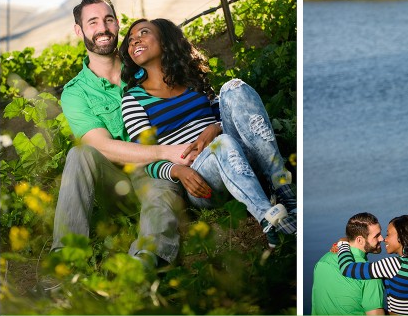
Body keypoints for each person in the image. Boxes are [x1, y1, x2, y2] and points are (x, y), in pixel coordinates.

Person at [50, 0, 192, 285]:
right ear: (80, 31)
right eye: (93, 22)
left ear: (117, 24)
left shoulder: (146, 66)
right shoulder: (76, 92)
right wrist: (163, 152)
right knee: (80, 154)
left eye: (108, 19)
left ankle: (142, 265)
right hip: (118, 182)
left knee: (158, 191)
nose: (103, 28)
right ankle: (64, 266)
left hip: (161, 172)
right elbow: (100, 146)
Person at [119, 18, 297, 248]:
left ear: (165, 39)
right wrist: (177, 171)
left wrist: (215, 127)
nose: (135, 42)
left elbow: (226, 118)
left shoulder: (192, 78)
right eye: (131, 41)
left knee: (234, 87)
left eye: (143, 33)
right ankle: (269, 219)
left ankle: (282, 187)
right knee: (221, 144)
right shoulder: (133, 99)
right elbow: (146, 156)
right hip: (203, 177)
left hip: (238, 153)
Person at [335, 214, 408, 315]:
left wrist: (343, 243)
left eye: (388, 234)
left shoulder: (394, 265)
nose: (384, 239)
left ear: (401, 238)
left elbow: (347, 268)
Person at [311, 212, 385, 315]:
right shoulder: (369, 273)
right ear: (360, 240)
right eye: (376, 236)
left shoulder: (323, 261)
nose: (382, 238)